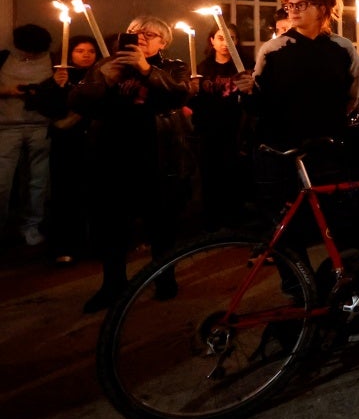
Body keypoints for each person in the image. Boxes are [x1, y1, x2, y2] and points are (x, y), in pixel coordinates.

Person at [69, 17, 191, 313]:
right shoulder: (107, 65)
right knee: (111, 223)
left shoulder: (172, 66)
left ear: (163, 43)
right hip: (112, 154)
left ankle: (164, 278)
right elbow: (78, 102)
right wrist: (102, 79)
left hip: (157, 154)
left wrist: (146, 70)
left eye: (152, 35)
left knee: (161, 223)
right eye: (137, 33)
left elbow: (178, 94)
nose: (143, 38)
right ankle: (113, 284)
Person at [245, 0, 359, 273]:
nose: (293, 10)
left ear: (323, 9)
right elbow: (259, 103)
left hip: (328, 148)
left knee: (342, 220)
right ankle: (297, 288)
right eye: (289, 5)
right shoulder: (273, 50)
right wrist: (246, 91)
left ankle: (347, 280)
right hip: (282, 149)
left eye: (302, 4)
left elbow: (354, 96)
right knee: (286, 225)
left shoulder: (342, 48)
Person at [40, 36, 99, 264]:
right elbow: (49, 109)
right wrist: (56, 86)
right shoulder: (58, 78)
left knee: (95, 194)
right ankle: (64, 246)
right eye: (80, 50)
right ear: (69, 54)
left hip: (95, 142)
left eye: (91, 51)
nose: (86, 55)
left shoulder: (100, 78)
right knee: (66, 195)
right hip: (67, 145)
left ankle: (95, 244)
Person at [188, 23, 251, 230]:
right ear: (212, 41)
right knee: (210, 176)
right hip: (209, 131)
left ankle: (236, 222)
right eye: (221, 38)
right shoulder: (203, 68)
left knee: (235, 176)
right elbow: (194, 104)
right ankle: (212, 223)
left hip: (236, 131)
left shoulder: (245, 66)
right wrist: (193, 92)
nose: (226, 43)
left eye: (232, 37)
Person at [0, 24, 54, 248]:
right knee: (2, 180)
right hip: (7, 125)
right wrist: (8, 91)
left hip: (42, 125)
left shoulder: (52, 60)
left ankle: (32, 226)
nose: (31, 55)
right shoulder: (4, 59)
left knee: (39, 181)